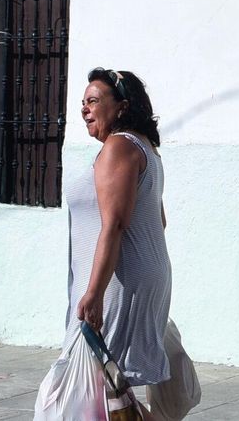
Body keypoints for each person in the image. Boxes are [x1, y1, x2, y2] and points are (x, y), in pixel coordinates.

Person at [67, 68, 173, 396]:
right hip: (135, 275)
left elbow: (114, 224)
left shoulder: (119, 146)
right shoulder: (145, 149)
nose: (84, 108)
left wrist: (94, 292)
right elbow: (160, 221)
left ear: (122, 107)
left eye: (94, 101)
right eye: (83, 102)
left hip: (116, 281)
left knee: (91, 387)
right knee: (110, 392)